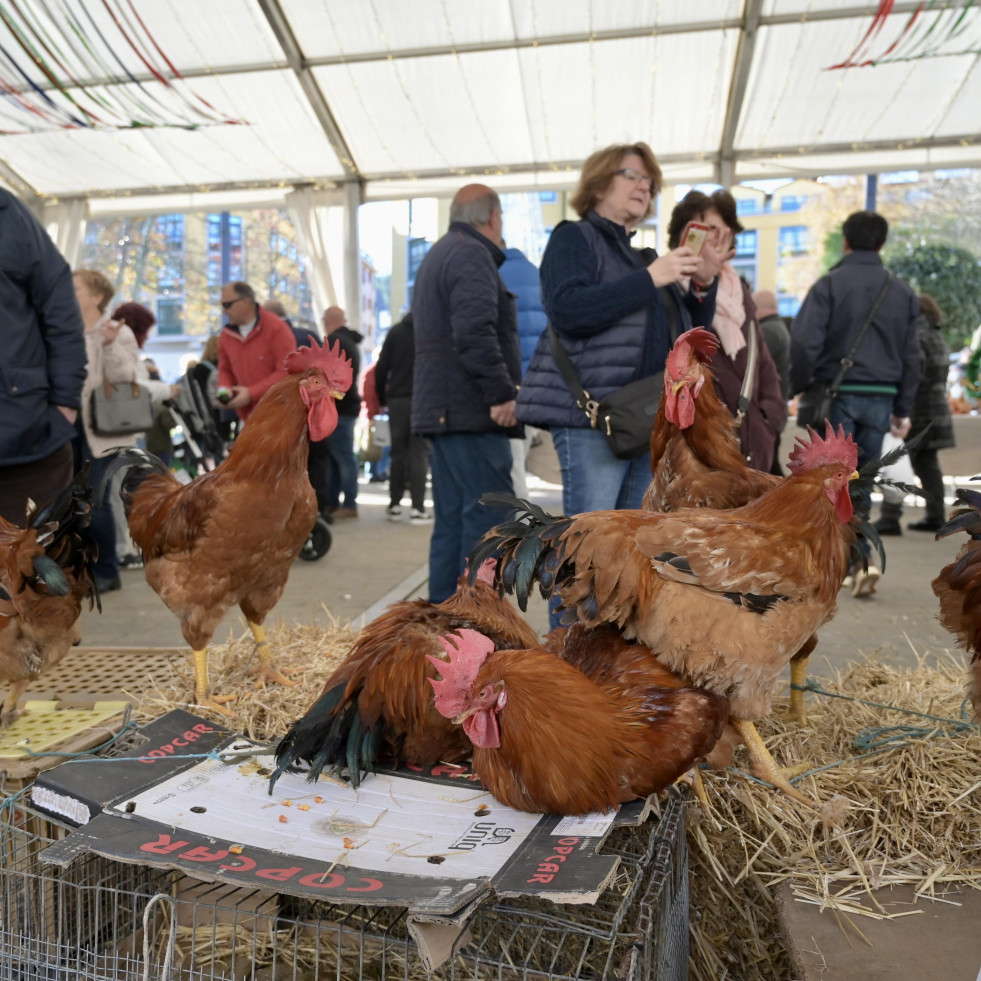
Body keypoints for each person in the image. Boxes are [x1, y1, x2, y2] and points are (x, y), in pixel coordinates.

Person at [517, 143, 725, 519]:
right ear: (598, 186)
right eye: (632, 175)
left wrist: (703, 286)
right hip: (595, 419)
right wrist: (650, 278)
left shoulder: (643, 257)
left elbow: (688, 334)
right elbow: (568, 311)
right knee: (592, 547)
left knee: (629, 549)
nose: (644, 186)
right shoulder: (573, 238)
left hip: (643, 420)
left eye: (649, 181)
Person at [790, 210, 921, 597]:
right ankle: (860, 558)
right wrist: (904, 407)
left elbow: (803, 342)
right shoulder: (901, 291)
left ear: (846, 241)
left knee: (830, 480)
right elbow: (914, 357)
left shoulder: (829, 285)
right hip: (881, 397)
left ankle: (841, 564)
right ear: (881, 244)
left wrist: (798, 385)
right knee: (861, 482)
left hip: (838, 392)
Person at [411, 183, 523, 603]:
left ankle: (443, 622)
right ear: (493, 217)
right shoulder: (472, 255)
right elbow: (475, 332)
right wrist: (500, 393)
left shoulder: (441, 253)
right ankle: (477, 623)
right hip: (471, 412)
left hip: (445, 414)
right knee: (488, 521)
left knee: (454, 522)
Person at [665, 190, 787, 472]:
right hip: (700, 445)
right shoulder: (668, 288)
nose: (717, 239)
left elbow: (763, 362)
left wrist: (769, 415)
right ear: (683, 238)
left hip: (752, 439)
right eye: (707, 231)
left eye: (724, 231)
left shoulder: (740, 291)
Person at [0, 189, 86, 527]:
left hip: (25, 435)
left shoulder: (9, 214)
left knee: (39, 567)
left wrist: (64, 402)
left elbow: (60, 308)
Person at [73, 269, 143, 593]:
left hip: (101, 430)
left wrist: (111, 345)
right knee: (69, 500)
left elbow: (128, 376)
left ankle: (106, 570)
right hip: (66, 426)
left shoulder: (117, 331)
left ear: (97, 296)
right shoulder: (64, 328)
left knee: (96, 501)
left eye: (74, 288)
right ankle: (77, 568)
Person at [874, 293, 955, 535]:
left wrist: (901, 408)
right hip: (937, 408)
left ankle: (890, 517)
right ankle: (936, 515)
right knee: (927, 465)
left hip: (917, 409)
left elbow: (912, 376)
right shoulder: (937, 336)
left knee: (896, 461)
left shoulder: (915, 336)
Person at [499, 245, 548, 498]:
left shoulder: (495, 275)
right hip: (537, 384)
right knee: (520, 458)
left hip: (509, 386)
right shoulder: (538, 275)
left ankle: (524, 526)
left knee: (512, 465)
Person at [376, 312, 431, 523]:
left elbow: (381, 368)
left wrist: (382, 398)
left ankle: (395, 505)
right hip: (423, 401)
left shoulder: (395, 332)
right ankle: (418, 508)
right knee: (419, 454)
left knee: (398, 453)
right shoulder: (429, 330)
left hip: (397, 399)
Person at [217, 281, 297, 422]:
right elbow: (225, 370)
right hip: (247, 419)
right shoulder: (226, 335)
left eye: (227, 305)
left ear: (246, 302)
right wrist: (224, 390)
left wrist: (251, 393)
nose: (224, 311)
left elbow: (286, 372)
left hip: (278, 418)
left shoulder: (277, 329)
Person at [321, 305, 363, 518]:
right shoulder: (350, 342)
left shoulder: (335, 342)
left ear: (328, 320)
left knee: (343, 458)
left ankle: (348, 504)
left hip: (339, 407)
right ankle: (336, 502)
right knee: (340, 458)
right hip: (348, 406)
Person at [753, 289, 792, 474]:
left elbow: (753, 367)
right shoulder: (779, 328)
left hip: (768, 411)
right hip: (775, 408)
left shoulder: (768, 332)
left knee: (768, 468)